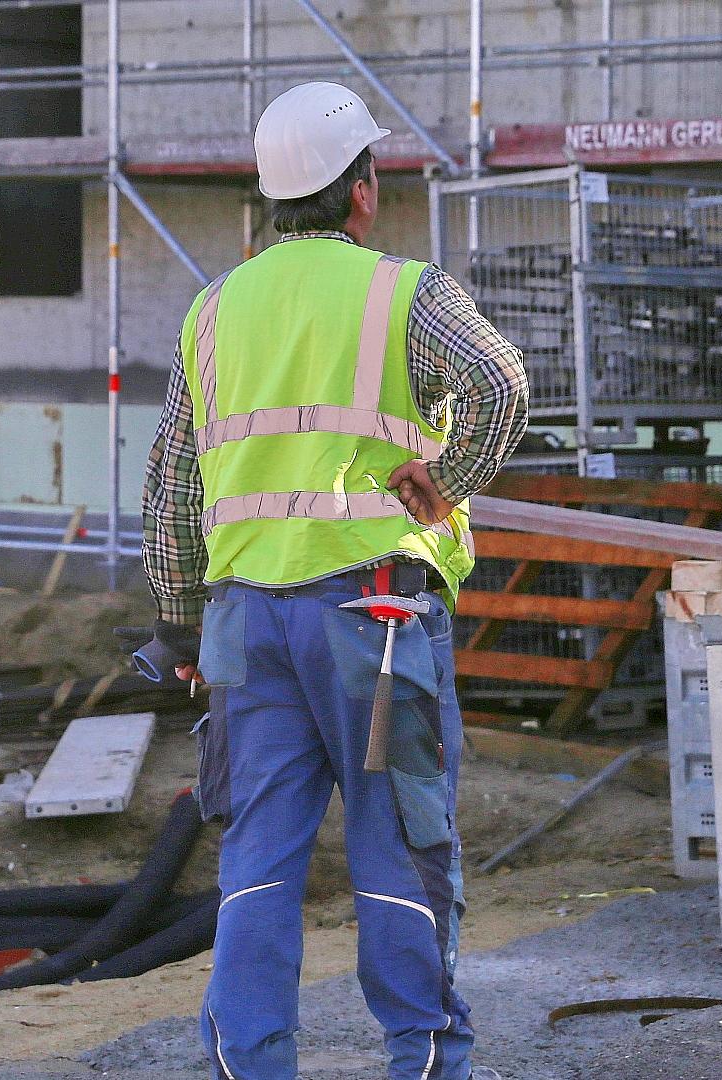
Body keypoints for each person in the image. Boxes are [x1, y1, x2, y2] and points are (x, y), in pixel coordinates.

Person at [141, 80, 528, 1080]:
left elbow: (172, 477)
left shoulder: (214, 311)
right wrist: (440, 486)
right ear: (360, 190)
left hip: (241, 623)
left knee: (258, 857)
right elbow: (500, 384)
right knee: (397, 850)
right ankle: (425, 1063)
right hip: (377, 612)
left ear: (272, 199)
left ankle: (251, 1065)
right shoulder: (407, 292)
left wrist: (181, 627)